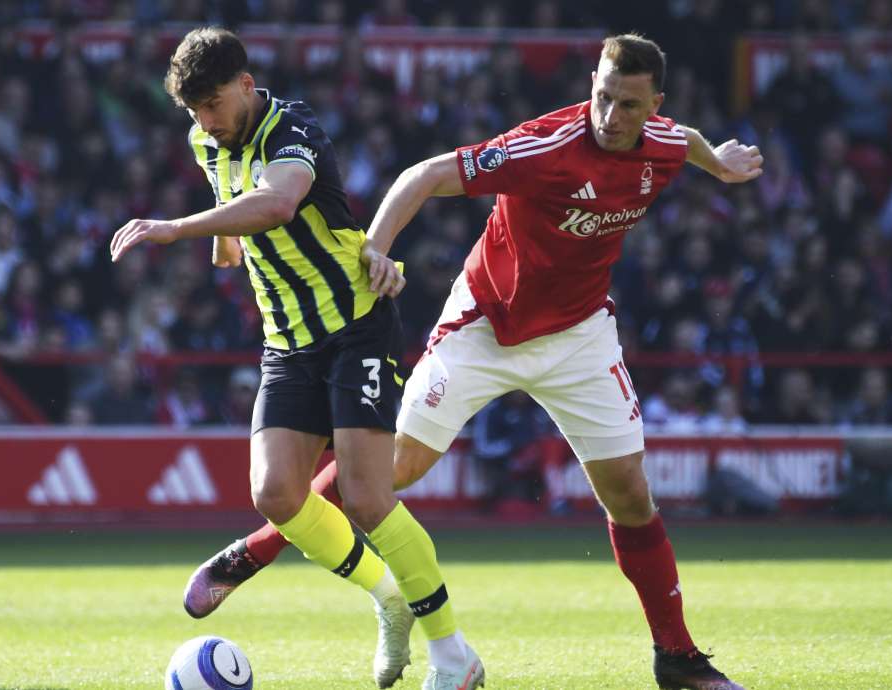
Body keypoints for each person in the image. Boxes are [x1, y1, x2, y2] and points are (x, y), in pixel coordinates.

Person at [184, 33, 762, 690]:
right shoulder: (543, 147)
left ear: (653, 105)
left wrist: (718, 161)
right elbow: (424, 176)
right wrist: (376, 247)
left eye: (628, 105)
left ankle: (677, 660)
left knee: (630, 495)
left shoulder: (662, 141)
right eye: (602, 96)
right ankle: (257, 549)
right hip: (484, 324)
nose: (609, 115)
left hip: (578, 335)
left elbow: (683, 140)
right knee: (389, 473)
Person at [108, 28, 480, 690]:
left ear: (246, 86)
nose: (205, 122)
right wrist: (224, 242)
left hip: (356, 323)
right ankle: (389, 597)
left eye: (213, 105)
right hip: (287, 339)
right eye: (194, 111)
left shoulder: (292, 130)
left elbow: (278, 201)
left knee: (367, 497)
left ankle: (454, 655)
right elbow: (235, 207)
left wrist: (177, 229)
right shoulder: (206, 140)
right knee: (275, 493)